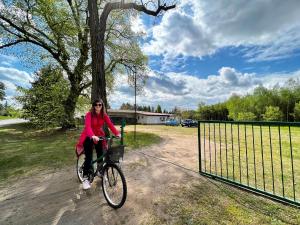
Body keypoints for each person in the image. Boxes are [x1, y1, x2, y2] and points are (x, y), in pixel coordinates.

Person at [76, 99, 120, 190]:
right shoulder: (89, 115)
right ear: (93, 106)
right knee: (89, 157)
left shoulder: (104, 115)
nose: (98, 106)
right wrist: (92, 136)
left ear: (102, 106)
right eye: (96, 105)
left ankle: (100, 171)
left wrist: (117, 133)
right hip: (88, 136)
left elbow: (110, 125)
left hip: (99, 136)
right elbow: (87, 127)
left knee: (101, 154)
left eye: (100, 105)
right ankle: (85, 178)